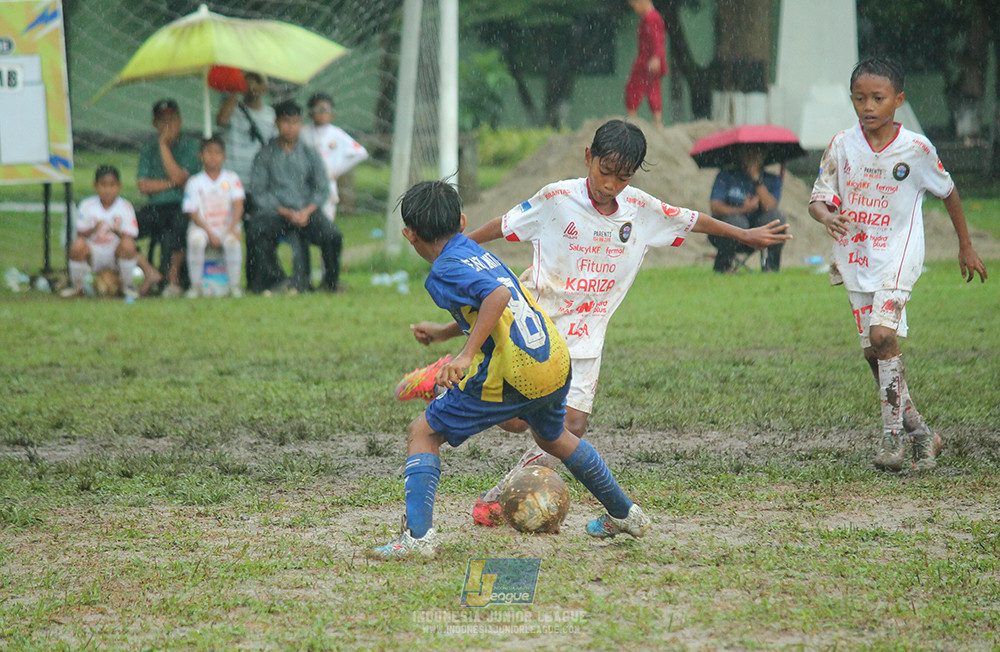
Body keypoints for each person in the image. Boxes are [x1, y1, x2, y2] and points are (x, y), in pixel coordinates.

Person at [395, 119, 791, 527]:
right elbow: (503, 227)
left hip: (587, 337)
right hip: (540, 327)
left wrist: (746, 237)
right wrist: (460, 248)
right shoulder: (556, 198)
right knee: (518, 422)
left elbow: (692, 221)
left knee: (571, 427)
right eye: (605, 172)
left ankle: (502, 494)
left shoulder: (640, 209)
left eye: (623, 177)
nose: (611, 185)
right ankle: (459, 375)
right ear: (589, 158)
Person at [373, 180, 652, 560]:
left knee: (424, 431)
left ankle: (418, 540)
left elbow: (497, 297)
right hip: (553, 359)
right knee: (554, 438)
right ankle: (626, 513)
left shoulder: (442, 272)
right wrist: (445, 333)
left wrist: (465, 356)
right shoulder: (475, 251)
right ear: (462, 221)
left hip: (515, 371)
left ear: (409, 235)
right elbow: (498, 300)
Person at [808, 57, 988, 473]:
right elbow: (819, 197)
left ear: (898, 101)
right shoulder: (841, 145)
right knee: (875, 352)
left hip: (898, 257)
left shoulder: (917, 148)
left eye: (877, 98)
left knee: (882, 334)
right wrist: (826, 215)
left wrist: (965, 245)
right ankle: (922, 433)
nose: (867, 107)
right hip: (855, 257)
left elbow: (949, 191)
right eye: (859, 98)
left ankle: (892, 440)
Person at [248, 100, 344, 294]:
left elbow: (321, 187)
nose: (290, 127)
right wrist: (284, 211)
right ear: (276, 124)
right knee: (256, 231)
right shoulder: (265, 154)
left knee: (333, 235)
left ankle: (329, 283)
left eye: (295, 122)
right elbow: (258, 191)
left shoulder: (309, 153)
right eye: (285, 122)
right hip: (276, 212)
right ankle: (275, 280)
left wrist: (306, 211)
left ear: (301, 124)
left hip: (305, 211)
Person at [215, 72, 277, 291]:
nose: (253, 87)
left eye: (258, 82)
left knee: (256, 232)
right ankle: (221, 281)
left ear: (265, 88)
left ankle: (256, 280)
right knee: (224, 229)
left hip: (257, 185)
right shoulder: (234, 108)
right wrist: (235, 92)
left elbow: (273, 148)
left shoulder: (270, 115)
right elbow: (221, 120)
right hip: (232, 183)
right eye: (249, 82)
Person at [136, 98, 200, 297]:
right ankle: (149, 271)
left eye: (172, 120)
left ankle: (172, 277)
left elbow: (181, 178)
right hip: (155, 207)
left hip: (180, 205)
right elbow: (144, 186)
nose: (168, 125)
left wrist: (164, 146)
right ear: (154, 124)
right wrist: (172, 183)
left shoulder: (191, 146)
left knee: (178, 225)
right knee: (125, 226)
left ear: (180, 121)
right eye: (162, 121)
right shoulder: (148, 149)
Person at [61, 166, 141, 301]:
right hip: (94, 251)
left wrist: (115, 231)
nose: (107, 190)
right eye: (103, 185)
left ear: (119, 186)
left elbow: (131, 235)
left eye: (112, 185)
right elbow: (80, 232)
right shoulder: (87, 205)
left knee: (128, 245)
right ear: (95, 186)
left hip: (114, 251)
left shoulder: (125, 206)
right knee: (77, 245)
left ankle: (127, 286)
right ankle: (77, 286)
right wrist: (94, 228)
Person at [182, 135, 246, 298]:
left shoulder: (232, 178)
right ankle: (195, 286)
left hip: (226, 225)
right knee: (196, 241)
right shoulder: (194, 182)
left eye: (217, 152)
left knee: (232, 242)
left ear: (224, 156)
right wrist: (210, 233)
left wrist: (232, 228)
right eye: (208, 152)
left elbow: (238, 205)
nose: (213, 156)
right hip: (202, 227)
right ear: (200, 156)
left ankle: (234, 286)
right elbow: (192, 212)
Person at [707, 145, 787, 273]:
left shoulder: (772, 180)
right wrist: (742, 210)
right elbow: (715, 207)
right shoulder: (726, 176)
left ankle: (771, 268)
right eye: (749, 153)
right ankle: (723, 266)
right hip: (727, 232)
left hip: (757, 228)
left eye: (758, 153)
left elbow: (770, 207)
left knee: (777, 218)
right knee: (737, 222)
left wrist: (756, 178)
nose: (753, 157)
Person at [300, 93, 369, 223]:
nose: (322, 114)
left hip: (327, 182)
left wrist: (337, 170)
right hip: (306, 183)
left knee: (327, 218)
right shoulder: (303, 133)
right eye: (318, 110)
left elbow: (361, 153)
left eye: (326, 110)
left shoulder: (337, 134)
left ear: (333, 113)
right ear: (310, 113)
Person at [625, 0, 668, 126]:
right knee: (653, 90)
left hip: (647, 61)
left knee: (633, 88)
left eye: (635, 5)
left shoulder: (651, 18)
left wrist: (656, 57)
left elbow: (657, 39)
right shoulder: (651, 17)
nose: (635, 9)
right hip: (650, 61)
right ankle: (657, 122)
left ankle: (632, 119)